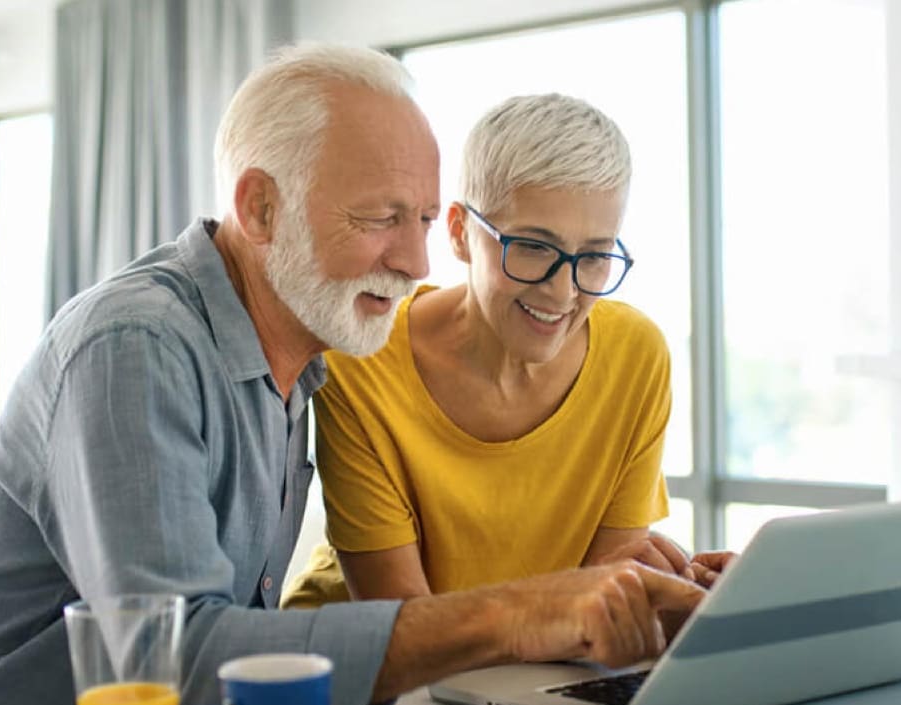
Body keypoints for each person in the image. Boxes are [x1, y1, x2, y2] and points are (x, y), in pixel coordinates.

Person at [0, 44, 706, 705]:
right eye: (381, 218)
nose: (418, 263)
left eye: (421, 222)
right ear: (262, 209)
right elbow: (179, 660)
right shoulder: (137, 346)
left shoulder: (305, 362)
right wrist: (523, 612)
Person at [283, 94, 720, 611]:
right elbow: (401, 627)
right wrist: (581, 609)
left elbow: (599, 611)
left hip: (525, 677)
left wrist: (686, 600)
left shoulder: (635, 357)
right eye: (533, 247)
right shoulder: (363, 357)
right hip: (358, 676)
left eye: (596, 256)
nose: (563, 293)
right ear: (460, 234)